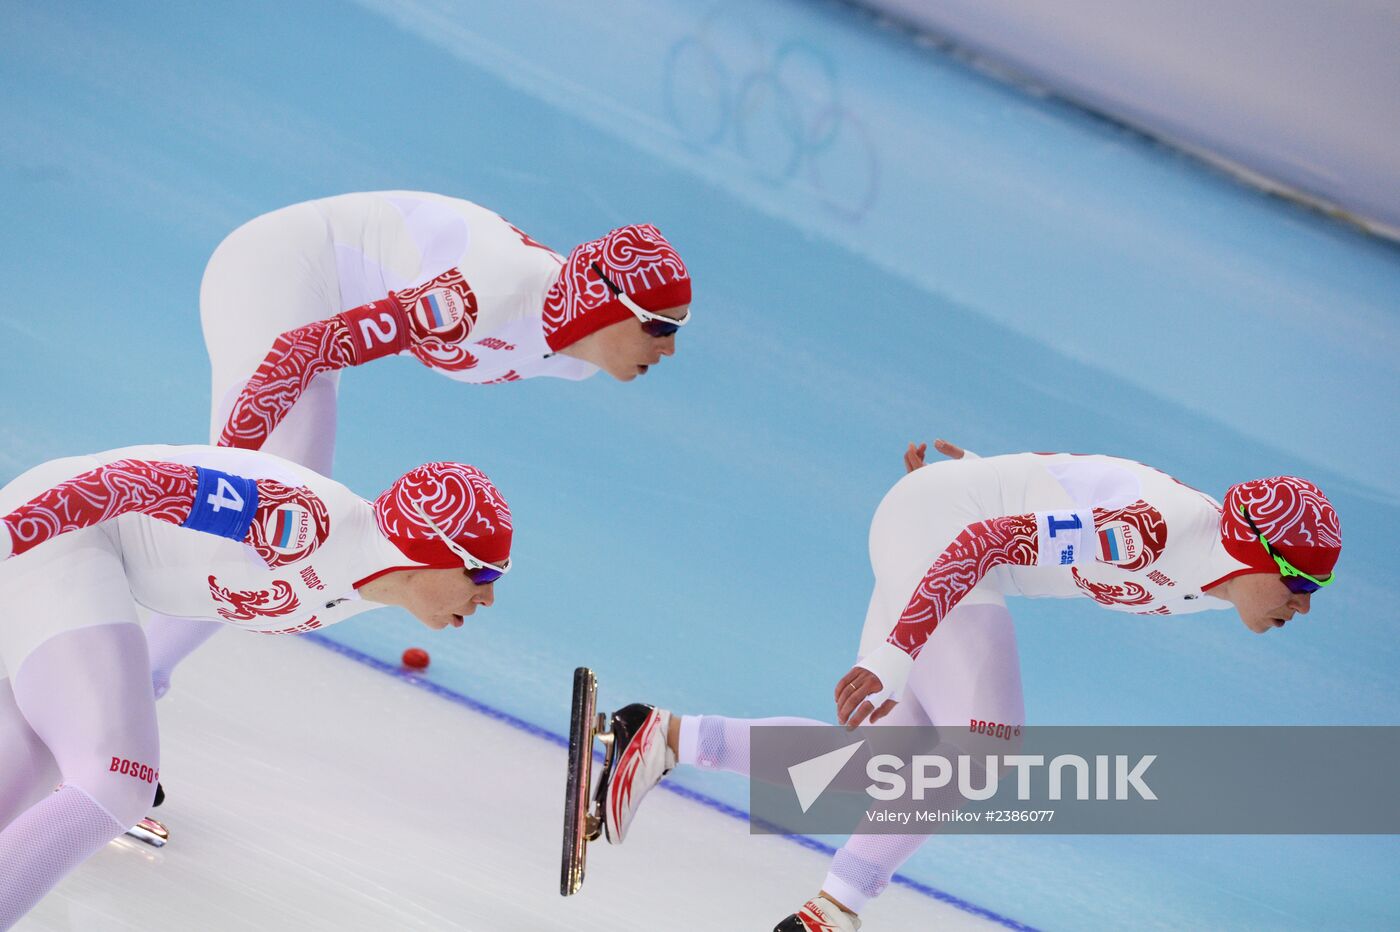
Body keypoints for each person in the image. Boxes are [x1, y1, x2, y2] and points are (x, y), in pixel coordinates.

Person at [588, 440, 1341, 931]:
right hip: (948, 541)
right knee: (983, 748)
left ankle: (665, 736)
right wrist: (894, 653)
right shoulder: (1156, 533)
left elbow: (1071, 492)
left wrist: (986, 477)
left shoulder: (1221, 578)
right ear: (1255, 551)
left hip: (948, 526)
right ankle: (833, 911)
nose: (1304, 604)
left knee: (895, 768)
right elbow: (984, 539)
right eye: (1300, 581)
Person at [144, 190, 693, 701]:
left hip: (322, 324)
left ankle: (131, 679)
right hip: (276, 276)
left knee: (276, 535)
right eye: (660, 325)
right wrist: (224, 471)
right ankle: (122, 682)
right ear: (604, 304)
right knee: (267, 513)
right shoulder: (477, 299)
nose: (670, 348)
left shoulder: (576, 360)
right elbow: (303, 347)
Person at [0, 444, 512, 928]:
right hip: (58, 532)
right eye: (484, 573)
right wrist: (12, 531)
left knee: (19, 791)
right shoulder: (303, 523)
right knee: (118, 778)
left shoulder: (367, 574)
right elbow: (131, 482)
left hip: (69, 558)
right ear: (431, 551)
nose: (488, 598)